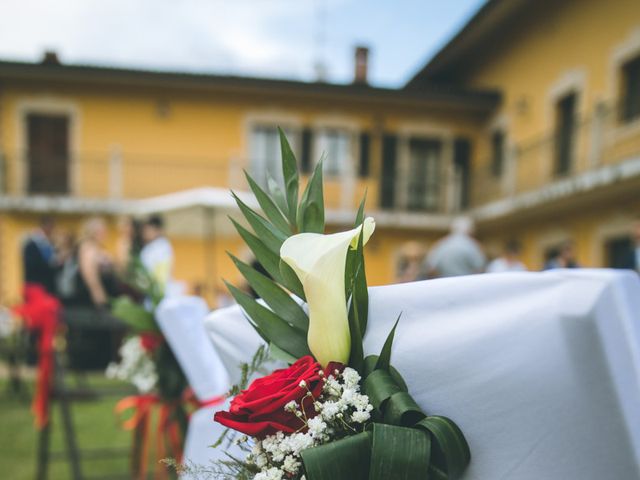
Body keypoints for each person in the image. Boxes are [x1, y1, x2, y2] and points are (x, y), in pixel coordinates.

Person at [73, 217, 118, 308]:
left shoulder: (97, 247)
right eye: (102, 231)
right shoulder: (88, 248)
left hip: (105, 294)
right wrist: (100, 299)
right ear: (94, 232)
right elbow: (91, 277)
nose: (106, 233)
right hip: (93, 300)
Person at [23, 216, 58, 295]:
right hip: (37, 283)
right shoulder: (33, 243)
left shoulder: (49, 241)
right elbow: (32, 264)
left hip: (46, 283)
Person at [140, 214, 174, 288]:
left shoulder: (163, 247)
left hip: (158, 288)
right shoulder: (148, 247)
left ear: (157, 230)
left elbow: (161, 274)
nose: (145, 233)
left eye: (148, 229)